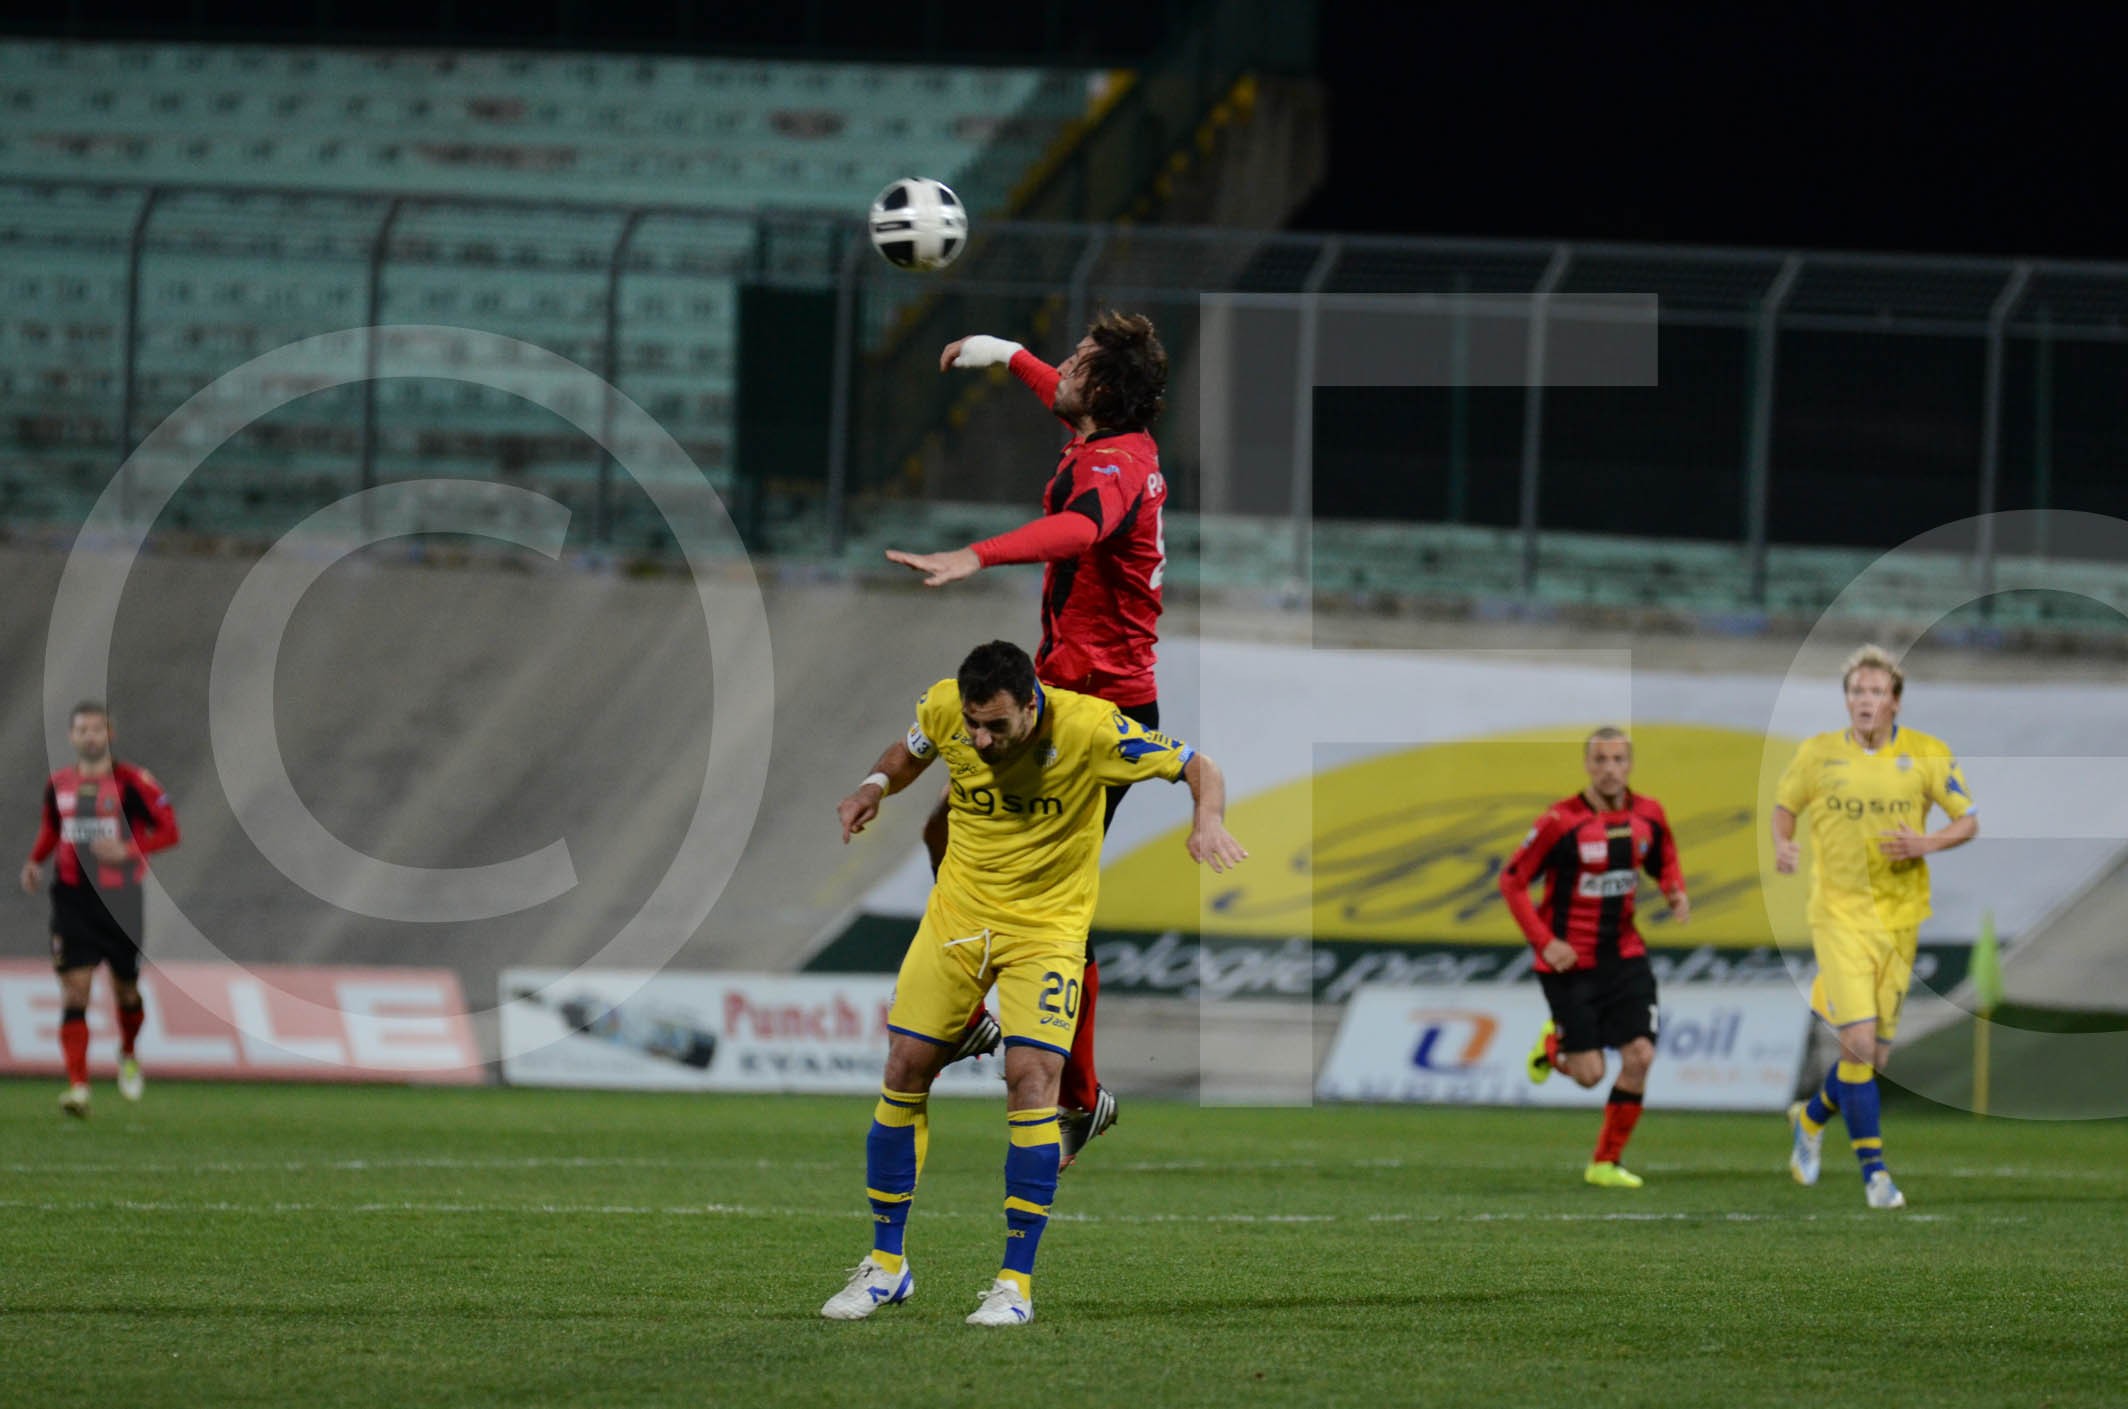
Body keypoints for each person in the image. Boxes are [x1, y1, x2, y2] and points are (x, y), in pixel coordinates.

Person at [821, 640, 1244, 1327]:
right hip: (956, 922)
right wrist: (870, 788)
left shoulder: (1092, 728)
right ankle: (886, 1266)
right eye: (973, 724)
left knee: (1030, 1078)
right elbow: (908, 751)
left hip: (1046, 931)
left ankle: (1014, 1282)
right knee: (903, 1067)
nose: (981, 739)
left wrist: (1208, 818)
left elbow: (1199, 765)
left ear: (1031, 704)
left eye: (997, 726)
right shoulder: (945, 708)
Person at [884, 310, 1171, 1167]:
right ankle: (986, 1011)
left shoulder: (1117, 465)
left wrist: (978, 555)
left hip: (1099, 713)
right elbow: (1061, 391)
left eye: (1080, 363)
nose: (1065, 371)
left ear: (1107, 392)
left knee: (1057, 902)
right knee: (945, 824)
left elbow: (1082, 529)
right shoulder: (1107, 430)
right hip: (1061, 695)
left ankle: (1078, 1095)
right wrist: (1005, 354)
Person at [1773, 645, 1977, 1209]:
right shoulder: (1818, 754)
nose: (1864, 701)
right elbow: (1785, 805)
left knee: (1872, 1058)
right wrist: (1783, 842)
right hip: (1838, 916)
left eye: (1875, 692)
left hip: (1901, 919)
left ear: (1895, 702)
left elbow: (1969, 821)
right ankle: (1876, 1175)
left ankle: (1810, 1119)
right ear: (1848, 701)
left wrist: (1925, 842)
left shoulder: (1927, 755)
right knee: (1857, 1044)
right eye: (1855, 692)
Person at [1499, 728, 1688, 1189]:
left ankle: (1605, 1162)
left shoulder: (1649, 814)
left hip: (1624, 956)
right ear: (1587, 764)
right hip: (1567, 963)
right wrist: (1545, 941)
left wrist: (1673, 891)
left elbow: (1663, 858)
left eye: (1618, 759)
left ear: (1630, 765)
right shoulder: (1561, 822)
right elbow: (1512, 881)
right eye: (1600, 759)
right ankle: (1553, 1046)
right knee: (1589, 1076)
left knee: (1640, 1055)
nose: (1609, 768)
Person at [19, 701, 180, 1117]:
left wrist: (126, 848)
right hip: (72, 898)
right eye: (82, 730)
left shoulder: (132, 783)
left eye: (97, 729)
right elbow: (53, 829)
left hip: (121, 901)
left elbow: (169, 832)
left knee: (126, 990)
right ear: (72, 737)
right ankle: (78, 1087)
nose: (90, 736)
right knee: (75, 989)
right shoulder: (58, 785)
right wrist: (36, 861)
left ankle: (127, 1051)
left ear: (110, 734)